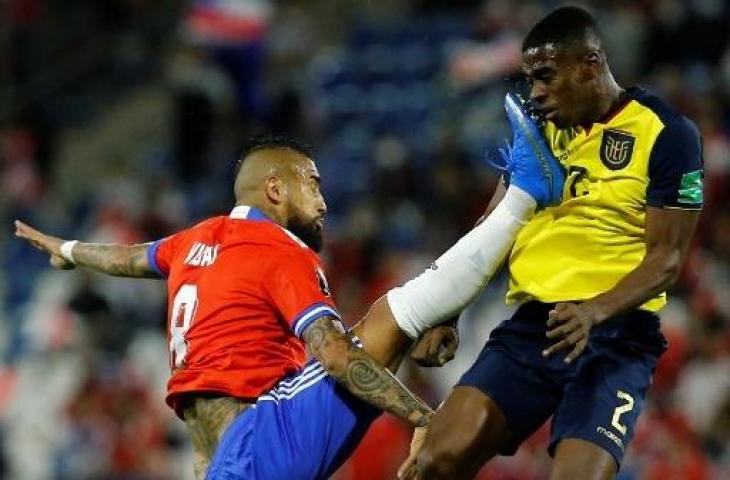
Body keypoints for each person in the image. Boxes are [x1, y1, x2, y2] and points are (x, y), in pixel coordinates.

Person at [16, 100, 564, 479]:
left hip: (221, 459)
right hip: (260, 440)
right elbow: (333, 355)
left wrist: (67, 252)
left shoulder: (196, 239)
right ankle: (525, 193)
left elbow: (129, 259)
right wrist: (427, 417)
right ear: (275, 188)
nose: (323, 201)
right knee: (391, 317)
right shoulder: (275, 248)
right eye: (313, 183)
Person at [400, 6, 704, 480]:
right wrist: (450, 308)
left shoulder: (669, 134)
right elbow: (494, 223)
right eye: (530, 80)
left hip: (618, 337)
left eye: (545, 76)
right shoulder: (540, 131)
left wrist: (593, 310)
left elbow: (666, 260)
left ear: (590, 64)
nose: (535, 92)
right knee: (433, 461)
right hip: (533, 330)